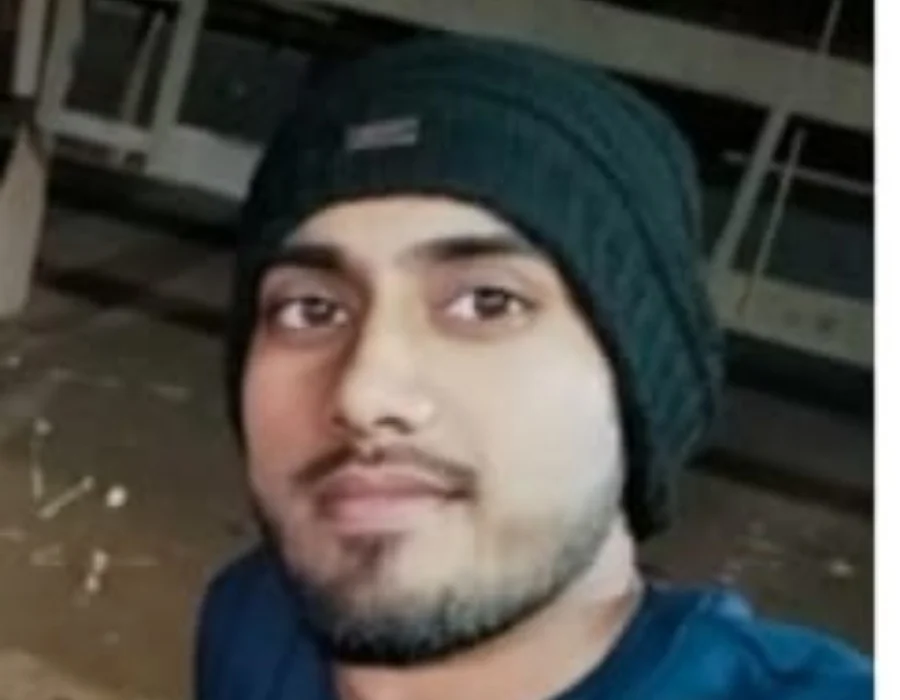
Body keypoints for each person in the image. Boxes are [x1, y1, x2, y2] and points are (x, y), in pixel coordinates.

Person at [195, 34, 872, 700]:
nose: (364, 393)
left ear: (633, 389)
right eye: (311, 309)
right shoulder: (255, 622)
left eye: (488, 302)